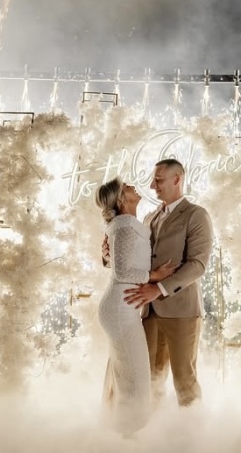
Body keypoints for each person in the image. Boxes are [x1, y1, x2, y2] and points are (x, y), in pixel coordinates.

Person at [124, 159, 213, 407]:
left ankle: (192, 429)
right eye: (154, 180)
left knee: (184, 380)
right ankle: (154, 428)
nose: (153, 186)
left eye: (158, 180)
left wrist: (158, 289)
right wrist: (108, 255)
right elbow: (135, 260)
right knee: (150, 380)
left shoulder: (196, 215)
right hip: (149, 311)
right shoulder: (149, 217)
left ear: (177, 179)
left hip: (182, 311)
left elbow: (197, 265)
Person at [94, 178, 178, 434]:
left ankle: (123, 434)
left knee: (131, 378)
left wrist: (108, 256)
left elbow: (120, 262)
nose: (132, 185)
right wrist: (154, 276)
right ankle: (128, 436)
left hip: (123, 308)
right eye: (126, 186)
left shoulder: (127, 225)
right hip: (120, 310)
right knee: (137, 381)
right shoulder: (124, 225)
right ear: (122, 199)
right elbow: (122, 272)